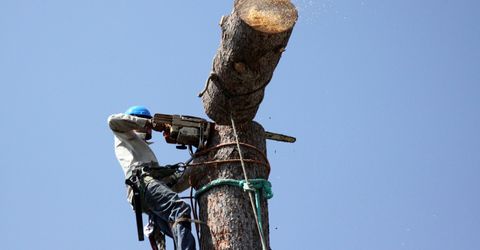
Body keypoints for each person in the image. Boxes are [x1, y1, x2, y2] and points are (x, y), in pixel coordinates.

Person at [108, 105, 196, 250]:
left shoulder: (146, 153)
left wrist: (195, 168)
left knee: (176, 225)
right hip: (142, 184)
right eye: (147, 123)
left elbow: (172, 186)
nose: (150, 130)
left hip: (145, 193)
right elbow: (112, 120)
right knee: (179, 210)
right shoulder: (124, 134)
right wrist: (148, 123)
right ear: (136, 120)